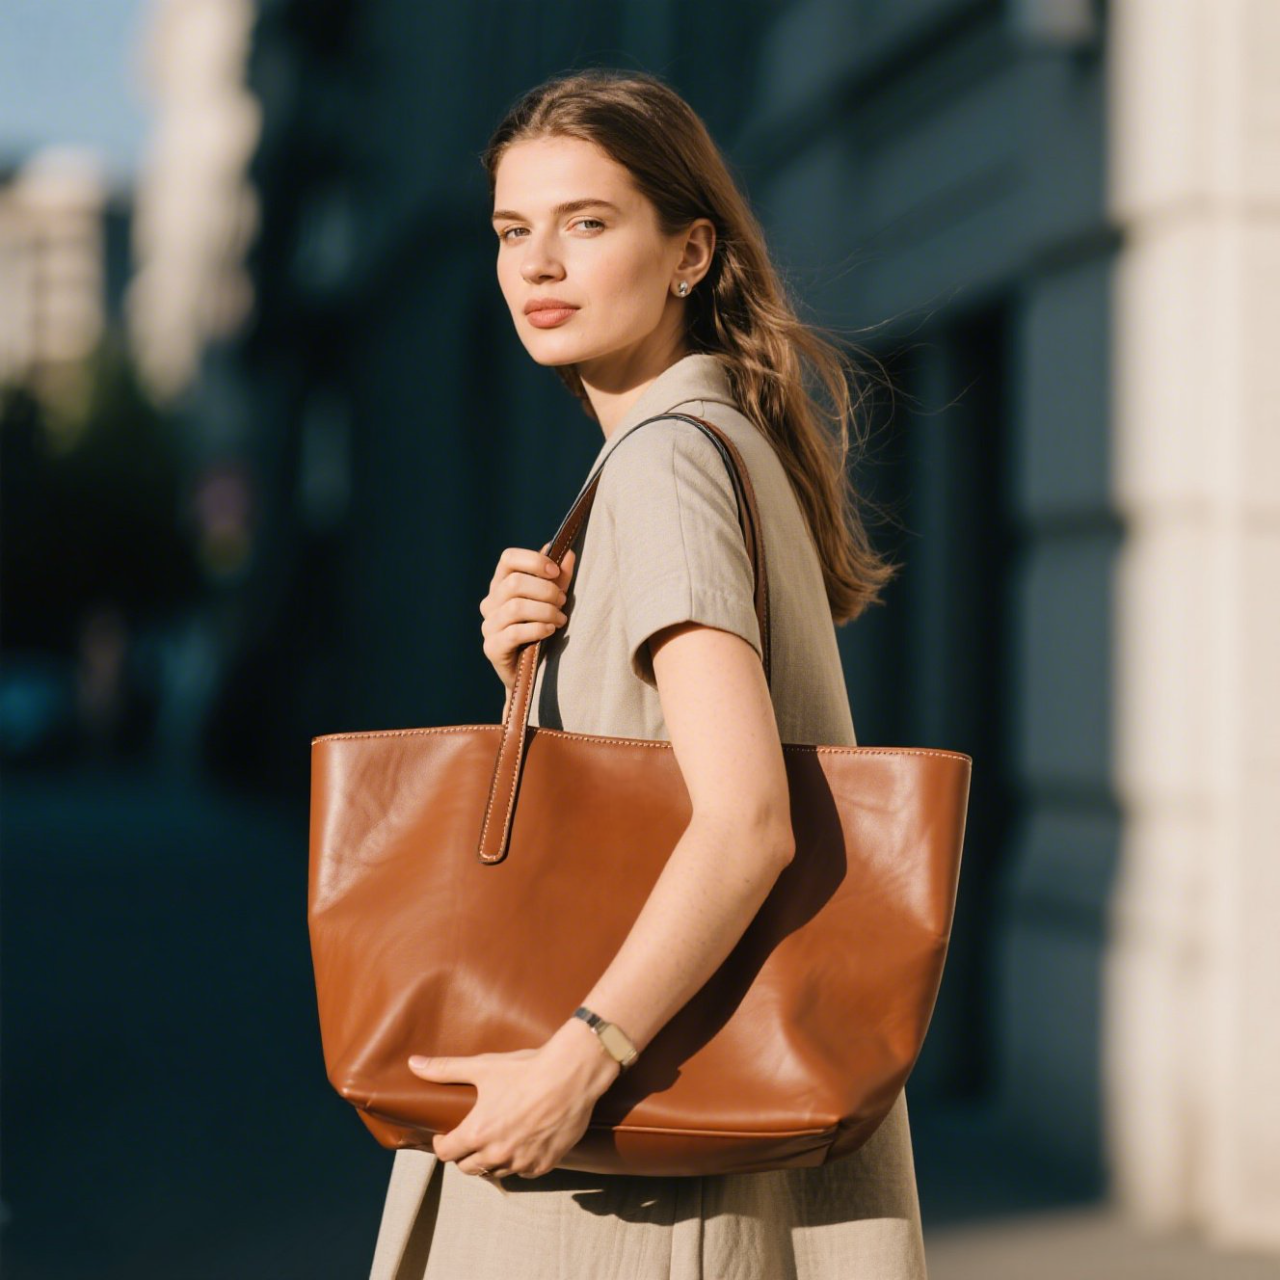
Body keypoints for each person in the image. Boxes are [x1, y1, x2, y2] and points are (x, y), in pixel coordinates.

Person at [368, 67, 926, 1280]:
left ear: (689, 253)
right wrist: (534, 668)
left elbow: (744, 820)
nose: (537, 264)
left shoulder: (664, 463)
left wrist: (574, 1063)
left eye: (586, 222)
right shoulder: (716, 439)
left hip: (629, 1169)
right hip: (678, 1133)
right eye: (512, 230)